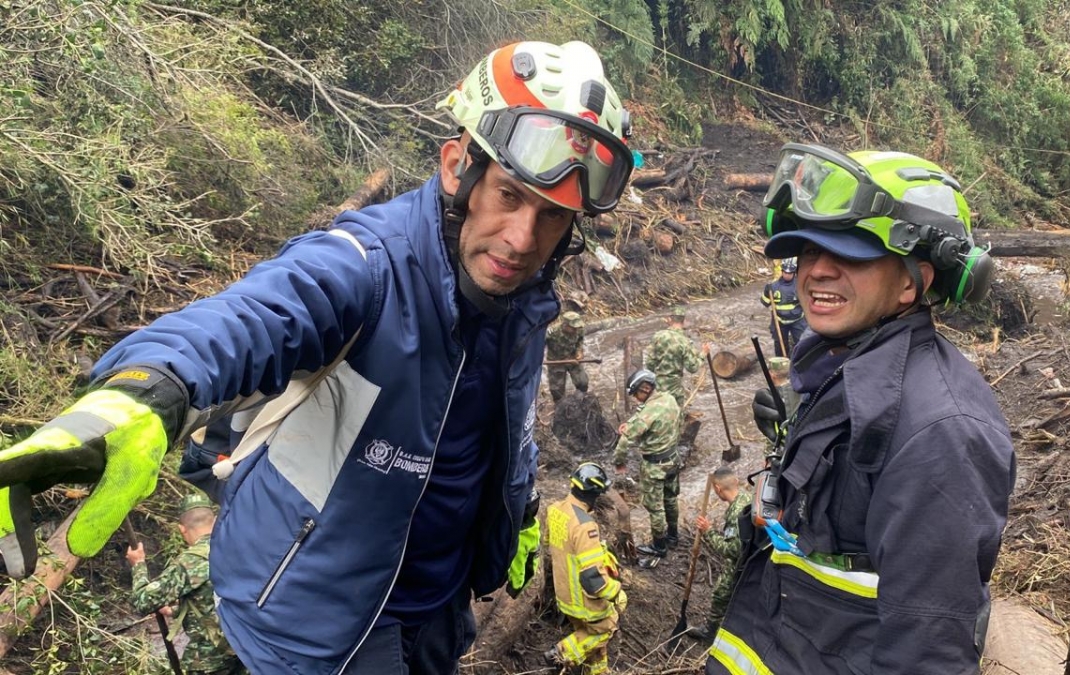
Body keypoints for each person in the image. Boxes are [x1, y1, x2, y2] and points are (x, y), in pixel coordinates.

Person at [0, 40, 636, 675]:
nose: (522, 239)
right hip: (315, 628)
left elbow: (500, 425)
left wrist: (516, 510)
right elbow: (257, 314)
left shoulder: (524, 301)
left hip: (435, 616)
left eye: (552, 217)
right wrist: (147, 388)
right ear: (456, 169)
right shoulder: (367, 267)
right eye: (507, 196)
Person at [710, 144, 1015, 674]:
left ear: (911, 282)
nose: (816, 272)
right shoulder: (837, 364)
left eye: (850, 253)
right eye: (806, 251)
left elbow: (927, 654)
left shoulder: (943, 434)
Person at [126, 493, 242, 675]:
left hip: (210, 661)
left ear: (182, 529)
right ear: (215, 521)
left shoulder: (188, 562)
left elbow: (143, 601)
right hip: (245, 652)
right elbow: (218, 599)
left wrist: (138, 565)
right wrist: (174, 611)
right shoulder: (239, 548)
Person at [544, 462, 627, 675]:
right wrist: (617, 593)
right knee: (607, 627)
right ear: (594, 493)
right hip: (583, 601)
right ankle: (560, 654)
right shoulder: (585, 526)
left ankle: (598, 671)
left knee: (589, 638)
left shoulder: (555, 511)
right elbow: (593, 580)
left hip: (564, 596)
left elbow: (552, 548)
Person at [613, 369, 682, 560]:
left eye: (636, 394)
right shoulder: (669, 399)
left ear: (645, 388)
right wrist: (632, 423)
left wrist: (619, 462)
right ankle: (673, 536)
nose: (636, 399)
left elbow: (625, 441)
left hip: (655, 465)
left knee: (655, 508)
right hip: (673, 459)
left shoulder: (647, 413)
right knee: (670, 499)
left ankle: (659, 546)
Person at [685, 466, 751, 644]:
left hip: (741, 564)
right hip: (753, 559)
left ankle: (711, 635)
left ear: (717, 489)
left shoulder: (736, 513)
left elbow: (731, 550)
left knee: (720, 595)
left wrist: (708, 531)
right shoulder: (746, 498)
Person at [643, 306, 709, 408]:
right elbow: (693, 368)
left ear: (669, 319)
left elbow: (649, 364)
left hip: (658, 387)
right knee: (676, 414)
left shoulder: (658, 336)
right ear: (684, 321)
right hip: (674, 389)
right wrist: (703, 354)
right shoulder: (684, 341)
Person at [760, 257, 806, 357]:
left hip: (797, 320)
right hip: (779, 321)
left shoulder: (800, 285)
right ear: (782, 271)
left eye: (790, 273)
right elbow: (765, 302)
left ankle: (799, 364)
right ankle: (782, 365)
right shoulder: (773, 287)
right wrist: (766, 292)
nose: (787, 275)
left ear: (794, 273)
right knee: (780, 345)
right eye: (785, 272)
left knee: (802, 343)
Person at [545, 310, 589, 402]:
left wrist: (579, 351)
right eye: (573, 328)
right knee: (557, 391)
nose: (576, 330)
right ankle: (560, 407)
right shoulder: (552, 332)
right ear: (565, 325)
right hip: (556, 362)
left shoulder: (579, 329)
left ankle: (581, 400)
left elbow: (580, 341)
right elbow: (539, 345)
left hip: (573, 358)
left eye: (577, 327)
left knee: (583, 382)